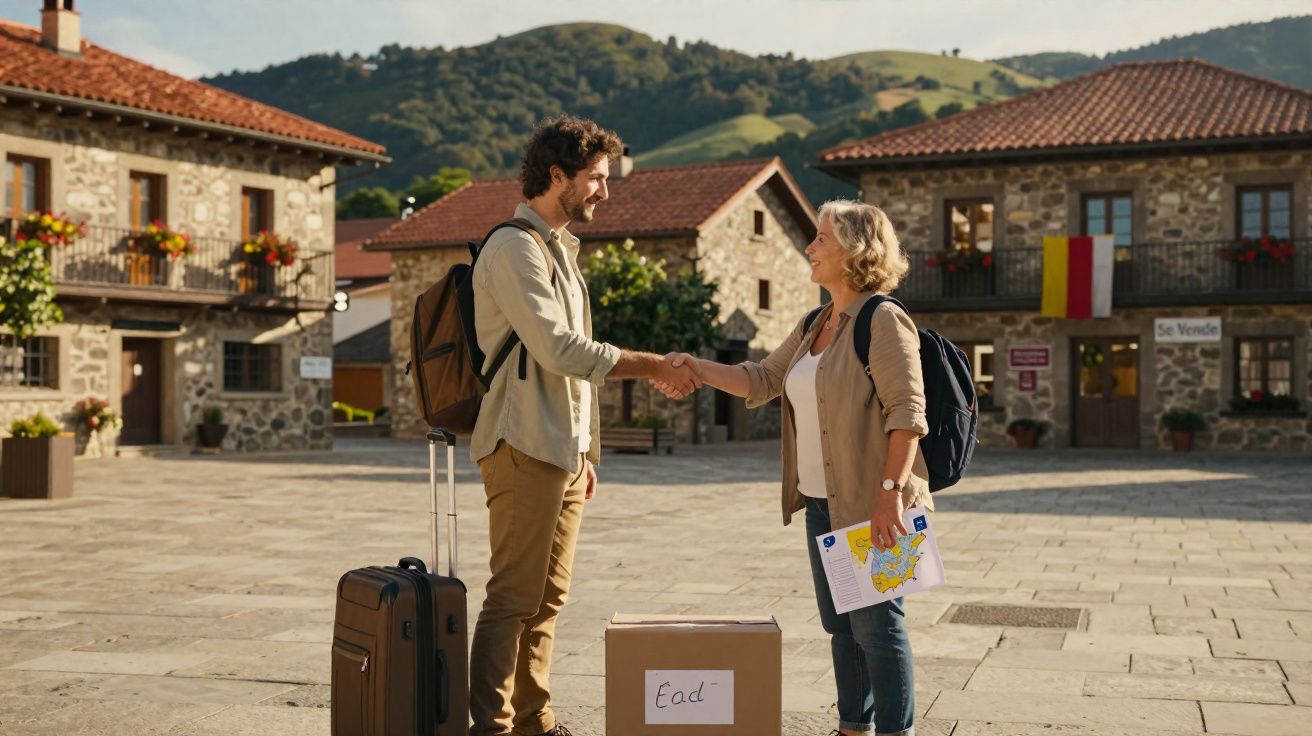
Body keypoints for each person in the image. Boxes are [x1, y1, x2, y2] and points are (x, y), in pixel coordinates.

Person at [657, 199, 932, 736]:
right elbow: (761, 379)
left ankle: (896, 732)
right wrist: (694, 366)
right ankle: (854, 727)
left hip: (876, 502)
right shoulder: (816, 322)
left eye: (821, 240)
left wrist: (888, 495)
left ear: (855, 250)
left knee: (878, 627)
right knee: (842, 628)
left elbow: (907, 414)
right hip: (821, 503)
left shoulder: (882, 319)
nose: (809, 248)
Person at [469, 114, 701, 736]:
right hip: (521, 442)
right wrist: (655, 364)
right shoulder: (513, 248)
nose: (605, 190)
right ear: (556, 175)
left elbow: (580, 367)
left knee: (547, 600)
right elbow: (561, 350)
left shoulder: (562, 254)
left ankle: (533, 721)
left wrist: (589, 451)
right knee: (512, 598)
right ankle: (489, 728)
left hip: (563, 452)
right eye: (596, 178)